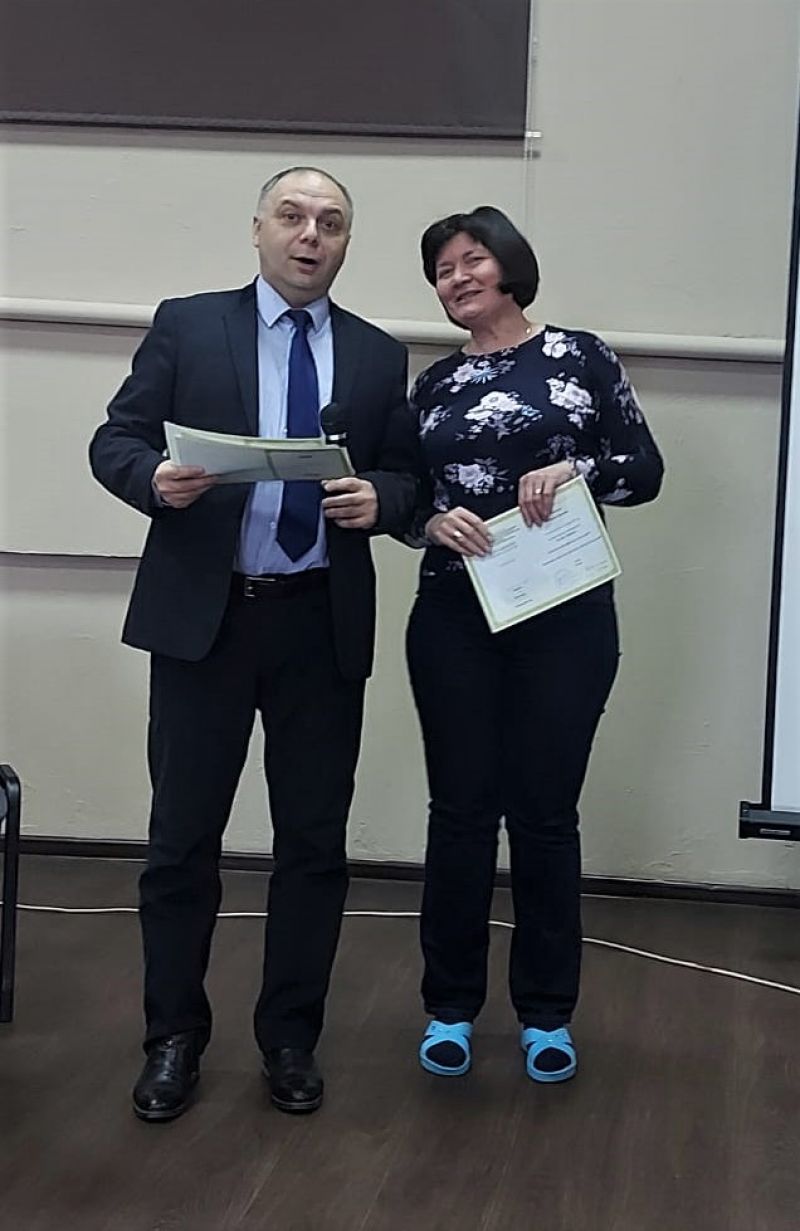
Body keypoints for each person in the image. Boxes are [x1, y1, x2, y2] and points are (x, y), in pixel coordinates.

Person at [89, 167, 417, 1122]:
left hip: (319, 622)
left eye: (331, 223)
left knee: (313, 842)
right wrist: (152, 478)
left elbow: (407, 477)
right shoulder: (190, 325)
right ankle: (173, 1037)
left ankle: (290, 1036)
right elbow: (115, 438)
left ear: (346, 244)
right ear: (259, 230)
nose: (310, 235)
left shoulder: (377, 355)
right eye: (293, 216)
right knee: (181, 839)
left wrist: (381, 498)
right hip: (208, 620)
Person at [404, 206, 664, 1083]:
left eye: (472, 259)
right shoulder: (433, 384)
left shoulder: (579, 356)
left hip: (564, 612)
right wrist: (428, 521)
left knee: (545, 814)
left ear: (510, 265)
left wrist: (577, 468)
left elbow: (645, 470)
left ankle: (547, 1014)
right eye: (443, 270)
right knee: (459, 811)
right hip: (454, 614)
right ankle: (449, 1006)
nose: (457, 278)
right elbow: (406, 496)